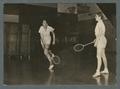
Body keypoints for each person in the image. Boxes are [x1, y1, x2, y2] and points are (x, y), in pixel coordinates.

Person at [93, 13, 109, 78]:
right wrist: (95, 39)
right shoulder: (100, 23)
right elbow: (100, 34)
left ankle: (97, 72)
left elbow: (100, 34)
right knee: (103, 55)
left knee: (98, 56)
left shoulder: (100, 23)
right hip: (102, 40)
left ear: (100, 17)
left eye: (96, 16)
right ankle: (106, 69)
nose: (95, 17)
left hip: (100, 41)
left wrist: (96, 41)